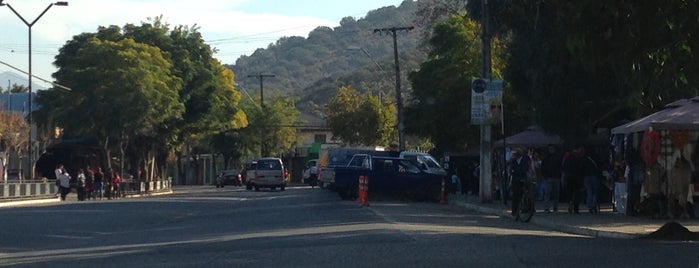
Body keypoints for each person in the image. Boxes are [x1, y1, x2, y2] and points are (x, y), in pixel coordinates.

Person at [509, 148, 531, 217]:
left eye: (516, 154)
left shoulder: (525, 160)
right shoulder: (513, 161)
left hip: (523, 179)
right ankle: (514, 211)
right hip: (515, 179)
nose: (515, 155)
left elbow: (526, 169)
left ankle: (526, 208)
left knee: (525, 194)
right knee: (515, 195)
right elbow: (511, 169)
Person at [540, 145, 562, 213]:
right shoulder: (546, 157)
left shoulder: (558, 157)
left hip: (556, 177)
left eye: (552, 148)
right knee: (547, 193)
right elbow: (542, 167)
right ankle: (547, 208)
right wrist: (544, 176)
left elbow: (560, 166)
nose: (551, 150)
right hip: (548, 177)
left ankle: (555, 207)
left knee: (556, 193)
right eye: (550, 149)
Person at [563, 146, 585, 214]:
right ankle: (576, 208)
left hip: (570, 177)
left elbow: (564, 168)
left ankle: (570, 202)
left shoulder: (568, 158)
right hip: (577, 178)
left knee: (570, 192)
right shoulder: (580, 158)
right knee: (577, 193)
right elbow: (582, 168)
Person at [582, 148, 601, 214]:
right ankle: (594, 205)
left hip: (586, 176)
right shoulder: (596, 157)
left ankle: (590, 206)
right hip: (595, 176)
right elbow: (599, 166)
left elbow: (582, 168)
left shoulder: (585, 158)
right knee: (595, 192)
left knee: (589, 192)